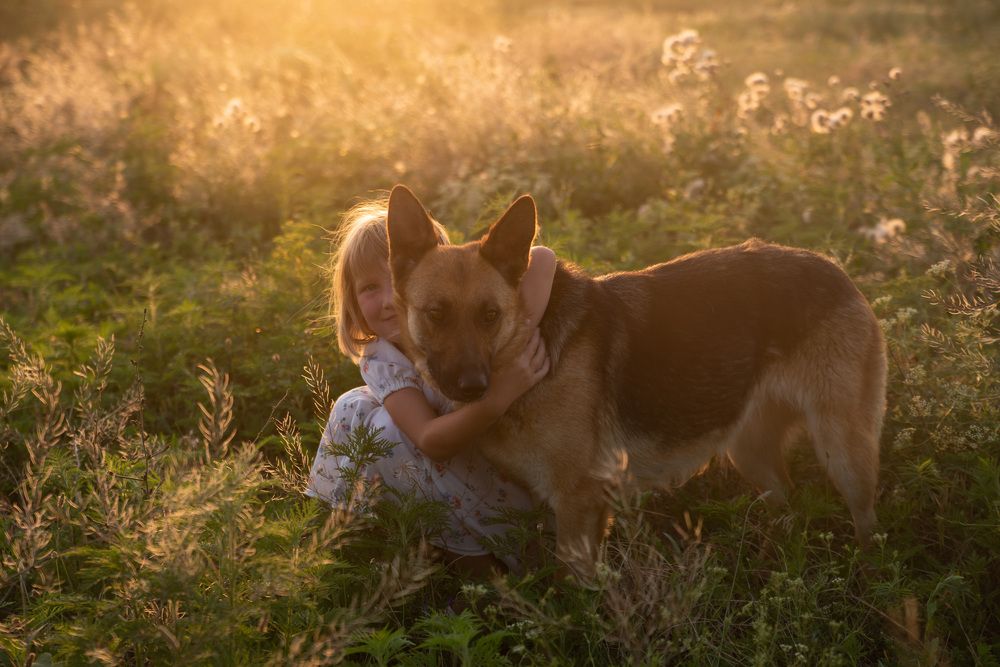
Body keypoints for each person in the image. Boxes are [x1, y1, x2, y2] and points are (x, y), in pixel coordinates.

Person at [308, 197, 556, 575]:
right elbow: (431, 440)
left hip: (508, 480)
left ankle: (485, 564)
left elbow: (543, 258)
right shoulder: (382, 360)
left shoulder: (471, 317)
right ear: (353, 303)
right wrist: (501, 393)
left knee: (369, 417)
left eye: (398, 280)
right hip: (465, 472)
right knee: (355, 410)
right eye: (370, 287)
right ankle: (346, 544)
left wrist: (517, 336)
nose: (392, 298)